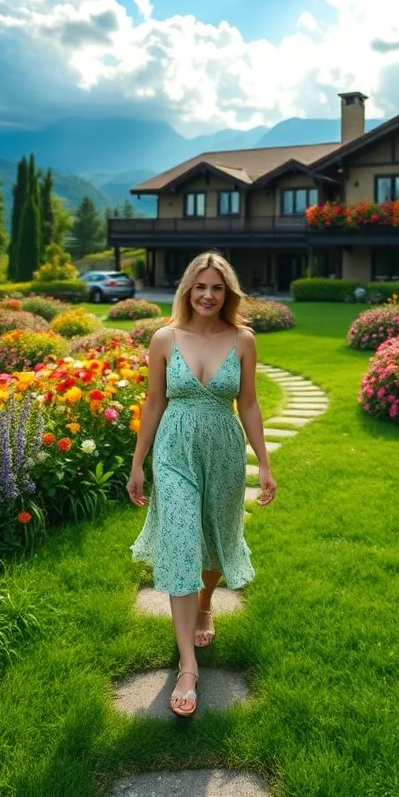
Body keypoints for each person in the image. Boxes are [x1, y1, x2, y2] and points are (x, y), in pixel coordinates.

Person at [127, 251, 277, 718]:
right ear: (187, 291)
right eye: (200, 287)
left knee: (216, 537)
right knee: (180, 539)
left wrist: (265, 465)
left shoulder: (244, 340)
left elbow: (249, 404)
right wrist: (137, 464)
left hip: (225, 452)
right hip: (174, 453)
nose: (208, 295)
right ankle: (187, 666)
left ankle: (206, 602)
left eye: (217, 287)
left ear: (227, 292)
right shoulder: (165, 338)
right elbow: (153, 403)